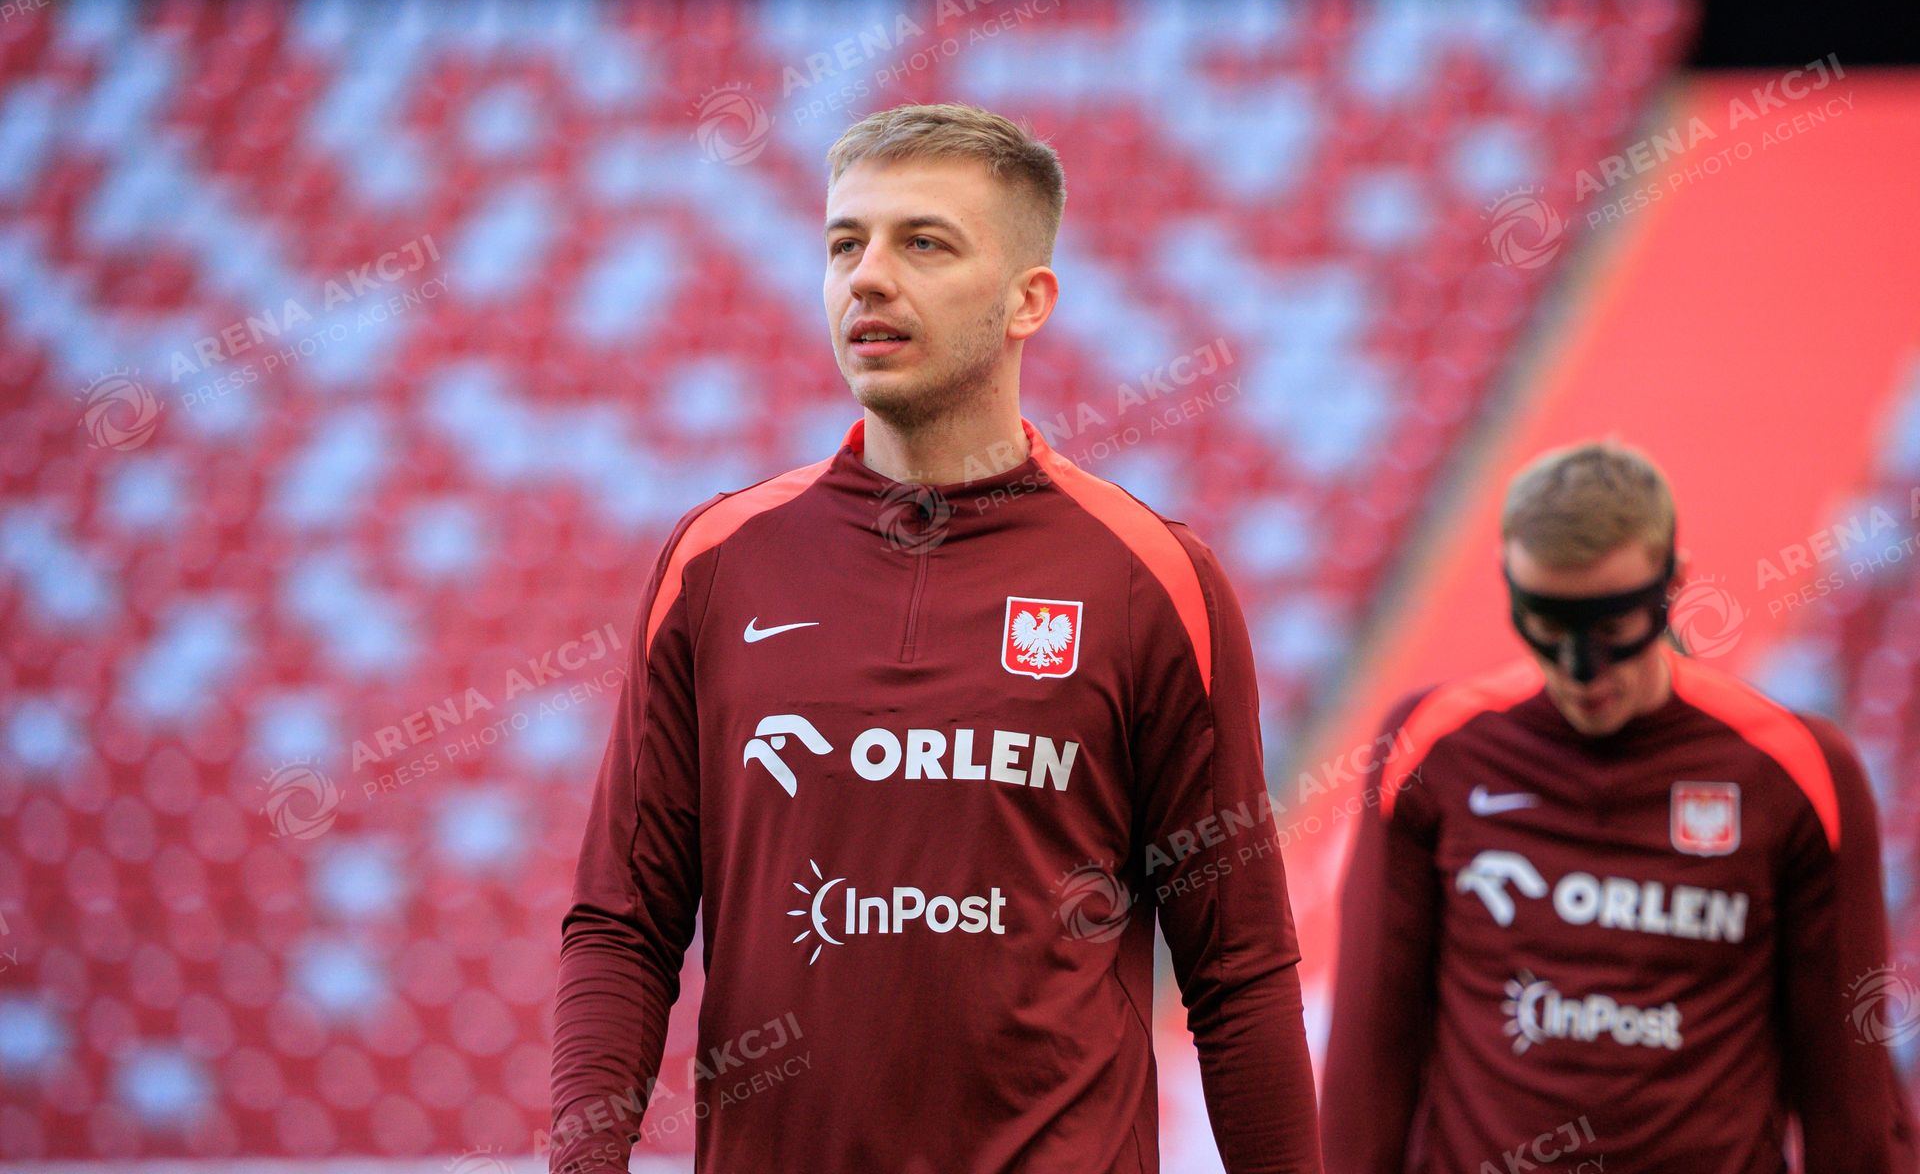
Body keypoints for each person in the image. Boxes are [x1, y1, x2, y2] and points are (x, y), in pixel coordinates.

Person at [549, 102, 1322, 1173]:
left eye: (923, 243)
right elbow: (622, 925)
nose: (866, 277)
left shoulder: (1152, 579)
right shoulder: (717, 563)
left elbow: (1237, 970)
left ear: (1027, 300)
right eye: (843, 244)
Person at [1322, 440, 1917, 1174]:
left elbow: (1851, 1093)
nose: (1582, 673)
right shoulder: (1431, 750)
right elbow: (1366, 1058)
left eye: (1611, 630)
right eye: (1549, 627)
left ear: (1674, 587)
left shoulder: (1795, 774)